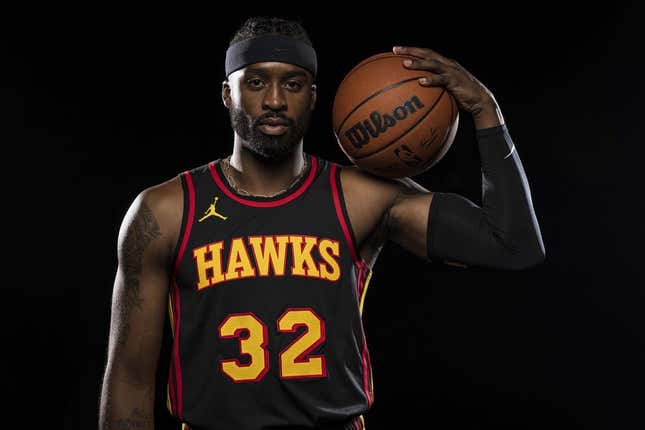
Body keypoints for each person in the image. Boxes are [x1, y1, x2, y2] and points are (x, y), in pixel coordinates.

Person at [99, 16, 545, 430]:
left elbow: (512, 245)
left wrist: (485, 110)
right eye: (256, 83)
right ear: (227, 94)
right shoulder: (165, 211)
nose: (274, 100)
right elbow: (130, 381)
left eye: (292, 84)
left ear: (312, 96)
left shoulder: (361, 196)